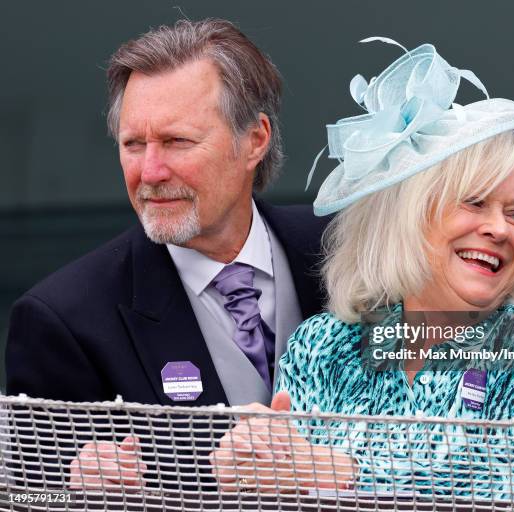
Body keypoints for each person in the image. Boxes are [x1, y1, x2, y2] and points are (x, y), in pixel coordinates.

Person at [211, 41, 514, 499]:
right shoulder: (322, 346)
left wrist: (341, 474)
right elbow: (290, 485)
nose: (499, 229)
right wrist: (254, 464)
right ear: (407, 218)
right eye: (474, 203)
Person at [4, 19, 328, 488]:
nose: (150, 172)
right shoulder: (62, 320)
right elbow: (33, 497)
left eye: (177, 141)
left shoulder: (350, 254)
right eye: (133, 144)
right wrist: (73, 492)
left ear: (255, 140)